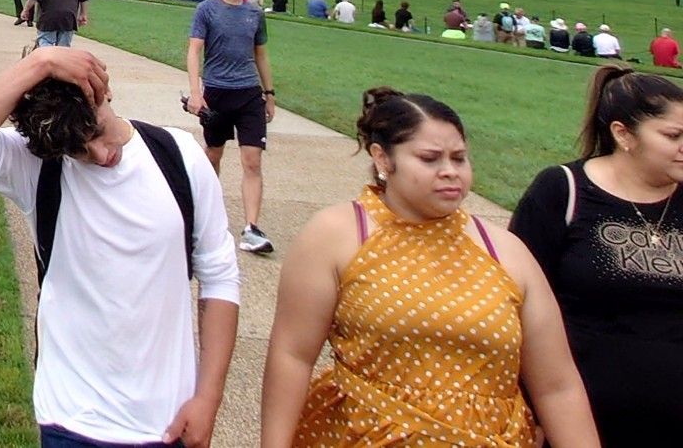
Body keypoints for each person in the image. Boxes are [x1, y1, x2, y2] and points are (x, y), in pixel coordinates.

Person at [260, 88, 600, 448]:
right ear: (383, 158)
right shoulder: (337, 236)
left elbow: (557, 385)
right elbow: (292, 356)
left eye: (459, 158)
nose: (450, 172)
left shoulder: (505, 252)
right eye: (430, 159)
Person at [0, 46, 240, 448]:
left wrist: (209, 399)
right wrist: (41, 62)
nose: (101, 156)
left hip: (167, 422)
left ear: (104, 92)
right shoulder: (39, 168)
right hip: (70, 421)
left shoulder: (179, 157)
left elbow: (220, 277)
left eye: (96, 132)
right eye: (79, 150)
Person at [510, 67, 683, 448]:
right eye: (673, 136)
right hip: (579, 423)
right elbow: (510, 306)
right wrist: (527, 410)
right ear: (623, 134)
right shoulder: (563, 191)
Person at [186, 0, 276, 255]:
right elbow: (194, 51)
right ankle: (205, 218)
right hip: (217, 92)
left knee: (253, 161)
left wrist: (270, 93)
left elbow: (261, 54)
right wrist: (196, 93)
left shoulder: (254, 12)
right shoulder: (207, 10)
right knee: (213, 157)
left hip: (249, 93)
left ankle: (251, 228)